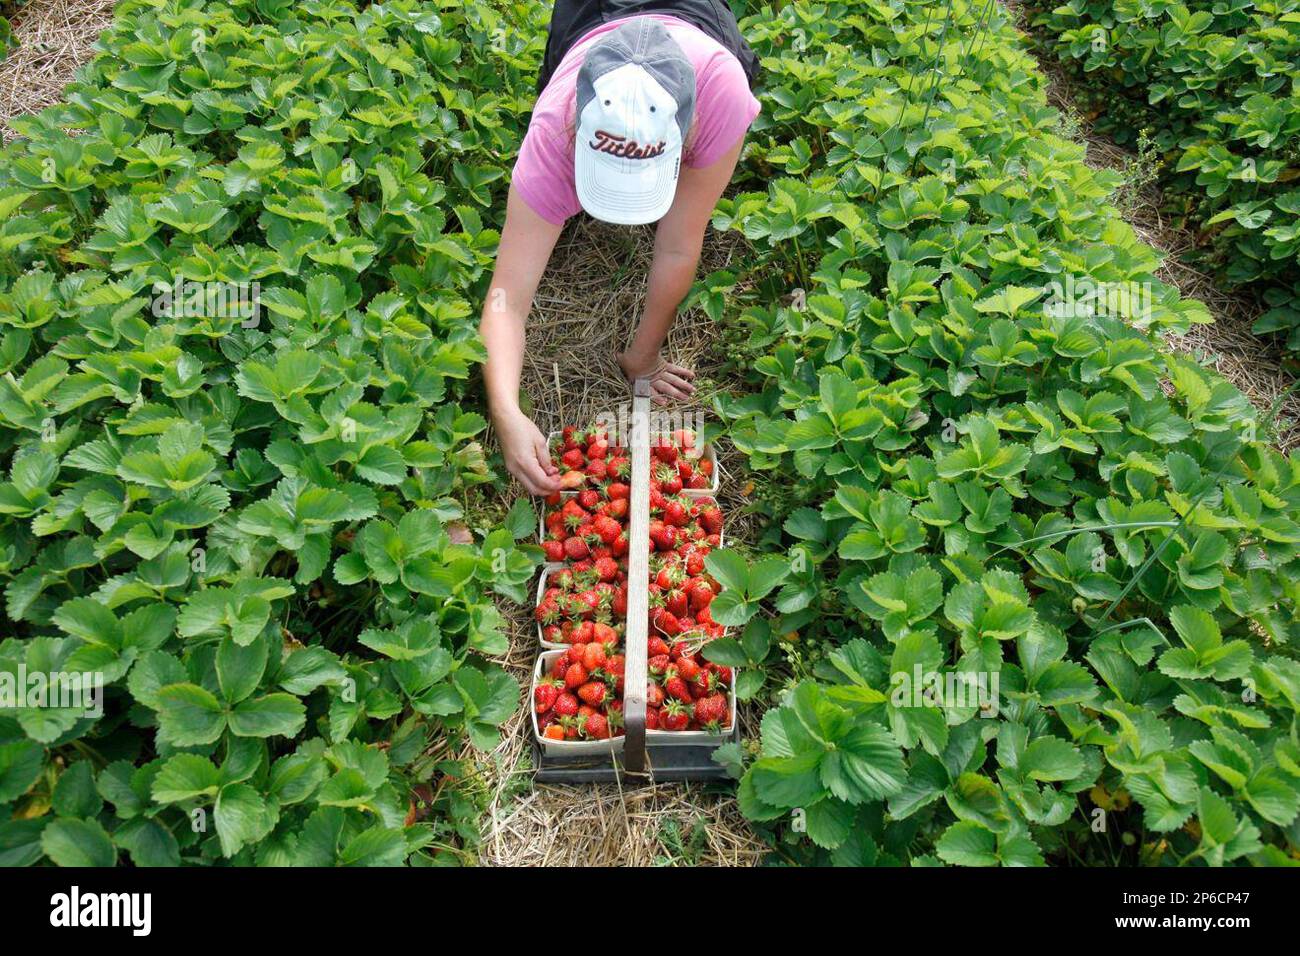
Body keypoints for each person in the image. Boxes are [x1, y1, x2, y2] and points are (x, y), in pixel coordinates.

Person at [479, 1, 761, 495]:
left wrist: (644, 357)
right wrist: (506, 411)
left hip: (695, 19)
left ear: (685, 131)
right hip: (595, 10)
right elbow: (506, 297)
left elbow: (678, 245)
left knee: (688, 215)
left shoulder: (723, 92)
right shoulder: (552, 132)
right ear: (578, 129)